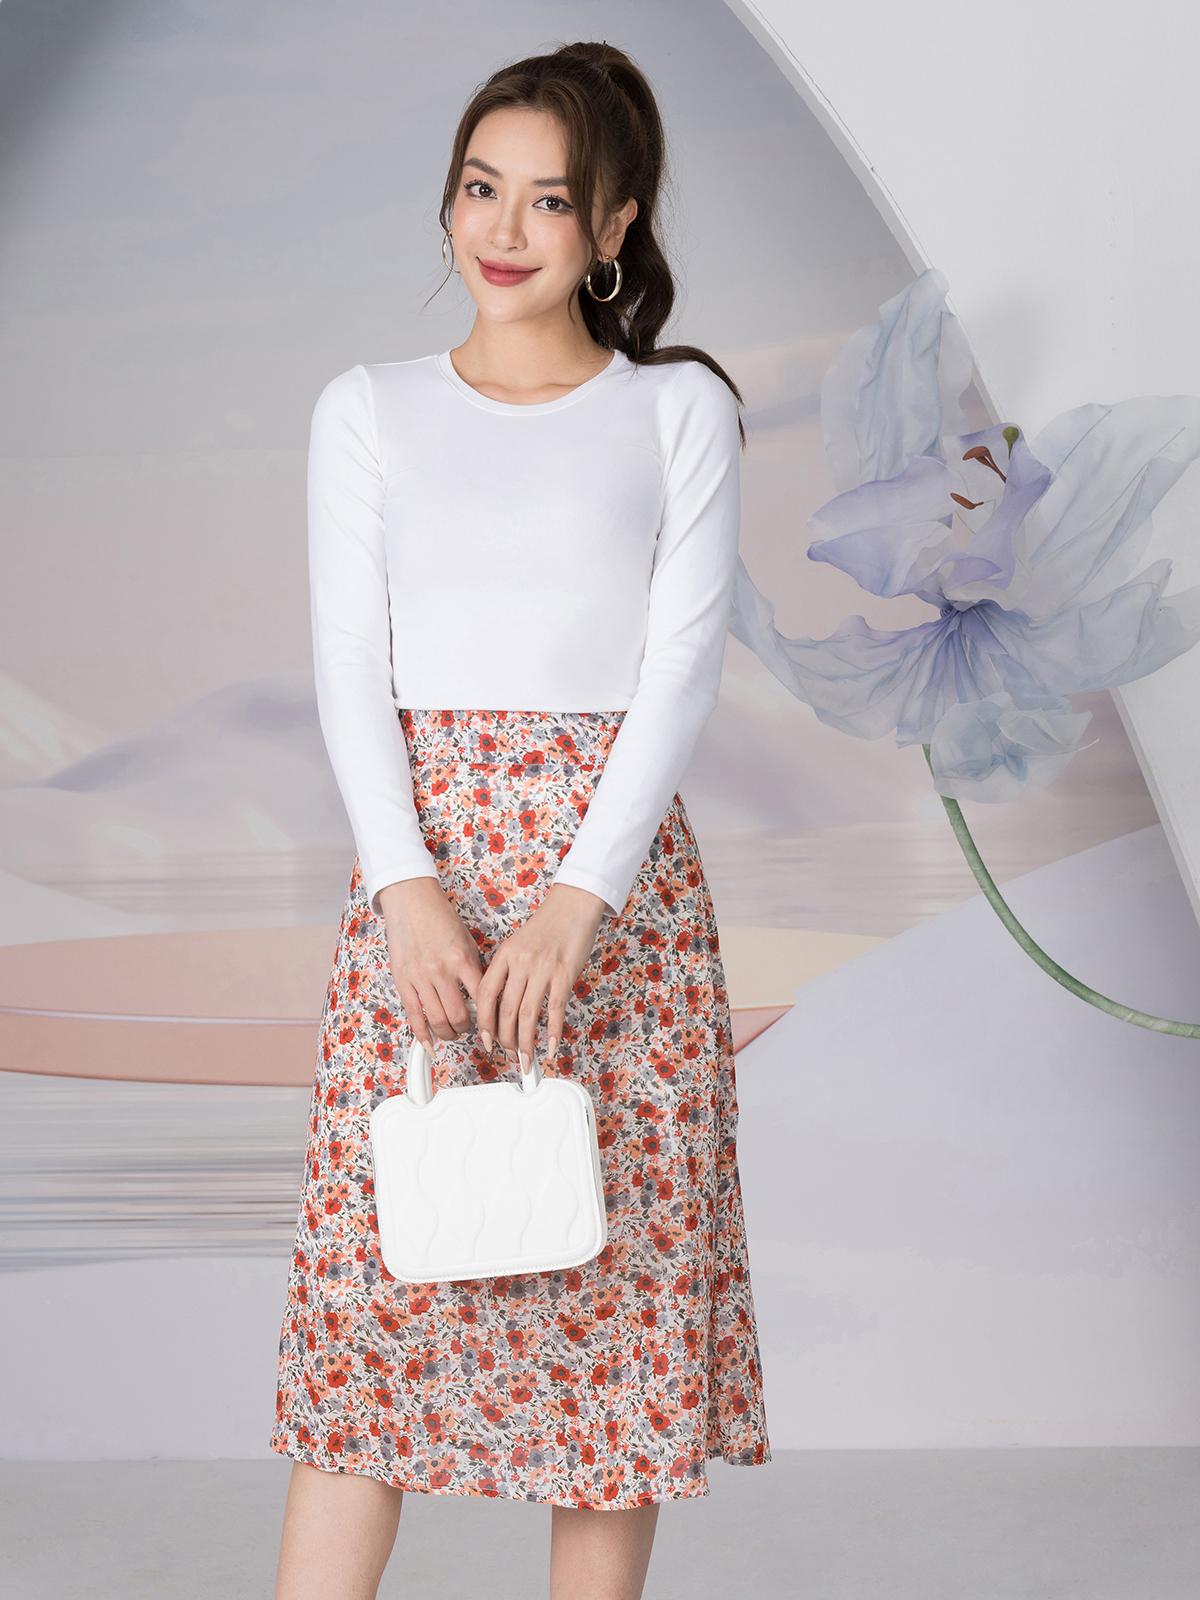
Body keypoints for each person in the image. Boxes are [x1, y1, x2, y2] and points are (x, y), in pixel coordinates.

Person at [270, 39, 771, 1600]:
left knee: (615, 1339)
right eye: (480, 188)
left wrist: (577, 902)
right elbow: (348, 664)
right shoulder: (367, 409)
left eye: (549, 200)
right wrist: (408, 890)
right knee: (369, 1335)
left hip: (611, 912)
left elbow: (680, 670)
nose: (503, 229)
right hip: (419, 895)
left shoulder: (679, 413)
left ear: (614, 226)